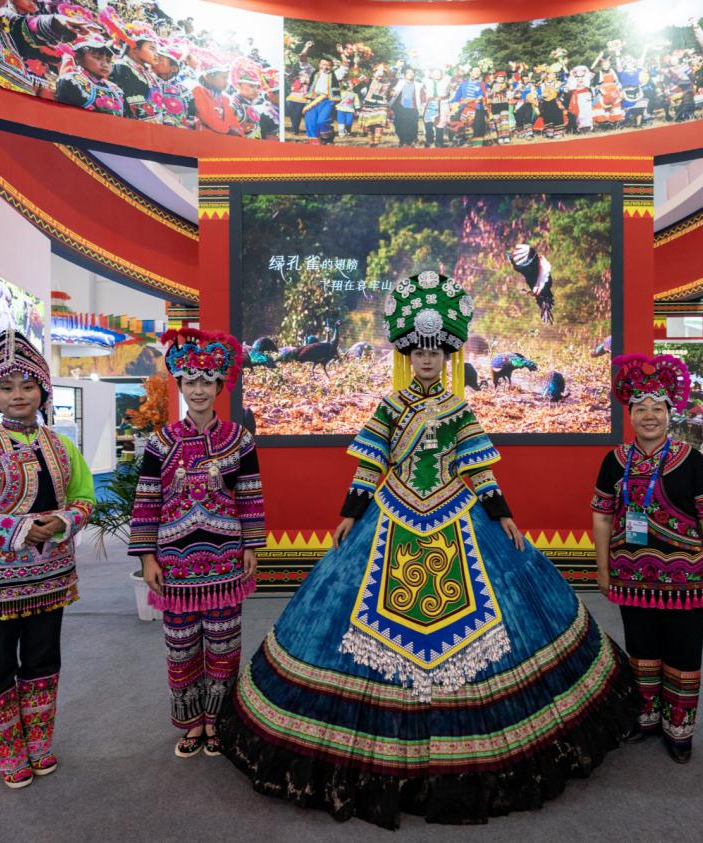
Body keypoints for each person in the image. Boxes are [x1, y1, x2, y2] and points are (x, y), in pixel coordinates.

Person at [217, 271, 636, 829]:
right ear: (408, 355)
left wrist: (504, 516)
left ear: (448, 356)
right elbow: (370, 466)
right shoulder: (390, 407)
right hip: (389, 514)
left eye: (437, 352)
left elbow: (479, 472)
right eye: (420, 352)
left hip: (458, 514)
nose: (429, 359)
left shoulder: (460, 411)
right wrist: (349, 514)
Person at [0, 330, 95, 788]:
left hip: (50, 577)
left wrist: (62, 520)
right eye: (6, 388)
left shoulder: (61, 446)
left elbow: (85, 498)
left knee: (44, 660)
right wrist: (19, 528)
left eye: (27, 386)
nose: (18, 395)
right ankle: (9, 752)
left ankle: (40, 743)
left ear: (43, 390)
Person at [128, 329, 264, 759]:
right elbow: (147, 501)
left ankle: (218, 721)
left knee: (224, 644)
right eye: (191, 381)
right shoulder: (161, 442)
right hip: (174, 564)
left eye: (207, 381)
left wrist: (251, 546)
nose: (199, 389)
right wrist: (147, 558)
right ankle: (191, 722)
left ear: (220, 385)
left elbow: (251, 496)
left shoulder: (239, 439)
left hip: (225, 561)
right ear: (180, 385)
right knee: (181, 646)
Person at [592, 354, 703, 763]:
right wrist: (603, 569)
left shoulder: (692, 459)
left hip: (687, 582)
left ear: (670, 413)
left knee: (684, 654)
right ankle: (647, 719)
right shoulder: (615, 460)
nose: (649, 415)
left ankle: (679, 731)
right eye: (640, 408)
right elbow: (602, 516)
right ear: (629, 414)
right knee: (641, 650)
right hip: (631, 577)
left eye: (657, 407)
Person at [54, 37, 125, 116]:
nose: (105, 64)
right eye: (98, 58)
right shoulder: (71, 80)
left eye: (108, 61)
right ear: (79, 58)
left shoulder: (116, 89)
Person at [109, 23, 165, 123]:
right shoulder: (120, 67)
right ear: (134, 48)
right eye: (152, 49)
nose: (156, 54)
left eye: (156, 50)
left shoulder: (145, 72)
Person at [389, 66, 423, 147]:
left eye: (412, 73)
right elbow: (392, 85)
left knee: (413, 125)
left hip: (413, 107)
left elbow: (422, 95)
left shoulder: (418, 84)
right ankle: (403, 141)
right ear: (404, 75)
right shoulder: (400, 82)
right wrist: (392, 91)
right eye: (408, 73)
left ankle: (411, 140)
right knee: (399, 124)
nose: (410, 74)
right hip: (400, 107)